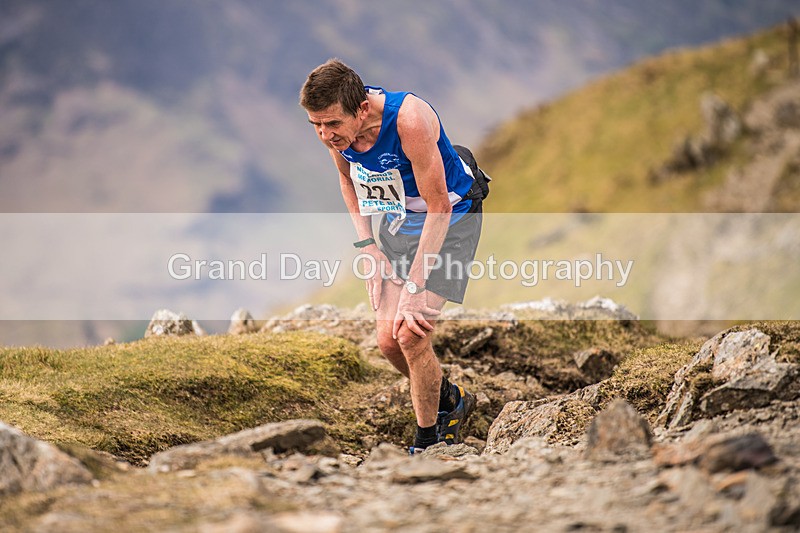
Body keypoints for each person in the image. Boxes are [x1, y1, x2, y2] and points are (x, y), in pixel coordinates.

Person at [300, 58, 488, 453]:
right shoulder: (339, 136)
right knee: (388, 342)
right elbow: (346, 178)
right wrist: (367, 247)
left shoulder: (410, 121)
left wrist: (417, 286)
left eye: (332, 124)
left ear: (362, 109)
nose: (324, 134)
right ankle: (450, 400)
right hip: (401, 221)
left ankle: (426, 443)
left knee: (411, 332)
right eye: (316, 125)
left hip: (451, 218)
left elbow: (439, 206)